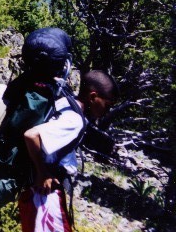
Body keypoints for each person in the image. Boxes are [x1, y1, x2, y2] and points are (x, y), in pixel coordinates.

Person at [20, 70, 118, 232]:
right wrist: (42, 173)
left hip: (37, 187)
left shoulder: (67, 102)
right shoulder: (75, 121)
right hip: (45, 192)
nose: (107, 111)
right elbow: (31, 135)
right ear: (93, 97)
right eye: (107, 104)